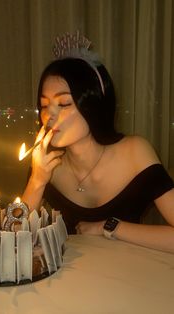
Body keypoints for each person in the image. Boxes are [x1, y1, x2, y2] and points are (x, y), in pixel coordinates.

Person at [22, 35, 174, 253]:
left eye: (64, 103)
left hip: (129, 274)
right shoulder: (47, 164)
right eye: (44, 105)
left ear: (93, 106)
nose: (49, 116)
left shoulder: (135, 152)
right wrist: (37, 181)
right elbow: (14, 240)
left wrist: (109, 226)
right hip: (73, 280)